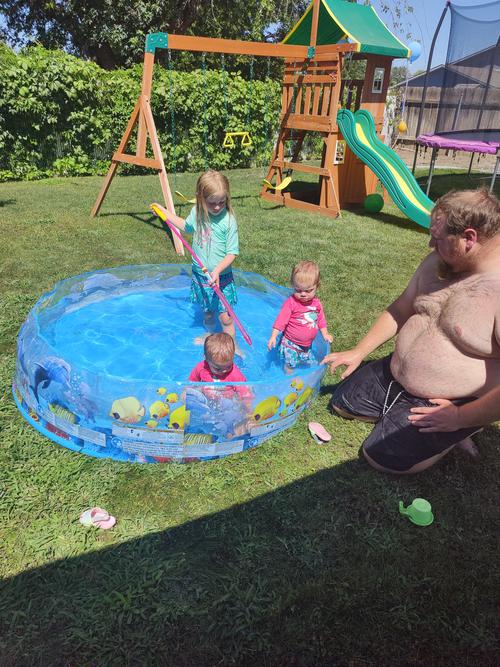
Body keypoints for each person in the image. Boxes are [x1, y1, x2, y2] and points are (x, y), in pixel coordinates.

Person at [323, 188, 500, 474]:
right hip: (396, 375)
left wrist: (459, 417)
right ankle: (400, 409)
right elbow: (403, 307)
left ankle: (465, 428)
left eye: (438, 238)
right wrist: (359, 351)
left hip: (449, 401)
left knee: (382, 458)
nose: (430, 244)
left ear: (469, 238)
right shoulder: (441, 261)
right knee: (342, 404)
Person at [162, 170, 240, 347]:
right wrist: (166, 214)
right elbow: (186, 226)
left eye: (222, 202)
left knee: (226, 318)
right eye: (212, 203)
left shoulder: (228, 220)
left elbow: (232, 252)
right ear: (200, 198)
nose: (217, 207)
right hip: (200, 276)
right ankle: (210, 336)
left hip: (222, 278)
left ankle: (232, 346)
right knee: (208, 313)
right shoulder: (197, 213)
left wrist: (218, 270)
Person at [268, 260, 333, 373]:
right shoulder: (291, 303)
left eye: (308, 290)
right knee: (290, 365)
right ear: (293, 285)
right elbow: (280, 321)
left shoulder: (316, 304)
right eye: (298, 290)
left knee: (311, 363)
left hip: (306, 346)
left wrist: (325, 333)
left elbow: (321, 320)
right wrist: (273, 336)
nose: (303, 294)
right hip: (290, 344)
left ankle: (309, 375)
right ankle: (289, 379)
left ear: (317, 286)